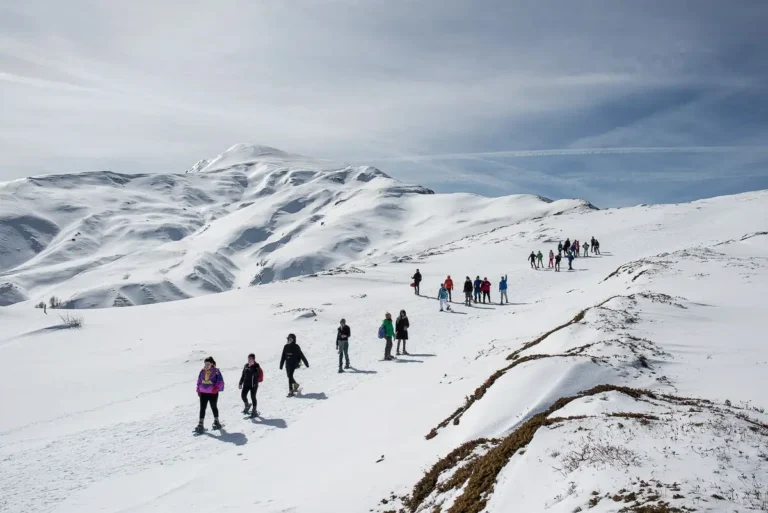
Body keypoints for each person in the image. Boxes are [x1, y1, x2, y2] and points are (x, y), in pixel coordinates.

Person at [196, 357, 224, 433]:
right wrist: (198, 390)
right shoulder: (202, 371)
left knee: (213, 407)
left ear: (212, 364)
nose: (206, 365)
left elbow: (221, 382)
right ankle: (201, 423)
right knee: (202, 408)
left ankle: (216, 421)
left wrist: (216, 388)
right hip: (203, 393)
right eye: (205, 364)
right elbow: (199, 381)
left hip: (212, 393)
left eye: (208, 364)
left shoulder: (216, 372)